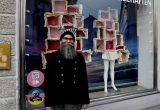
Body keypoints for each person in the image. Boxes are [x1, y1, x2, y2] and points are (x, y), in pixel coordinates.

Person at [44, 28, 90, 110]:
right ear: (61, 40)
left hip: (74, 98)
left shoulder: (79, 57)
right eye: (65, 38)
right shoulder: (53, 57)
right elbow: (48, 81)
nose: (68, 41)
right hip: (57, 98)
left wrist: (85, 100)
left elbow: (83, 80)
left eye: (70, 39)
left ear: (73, 41)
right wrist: (48, 102)